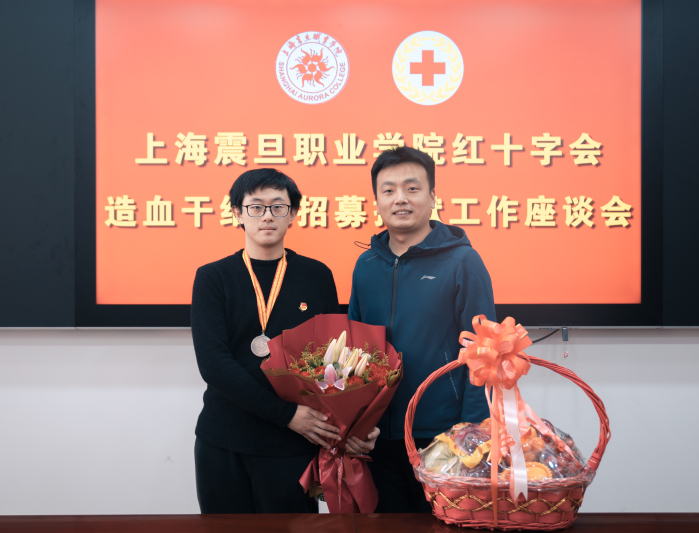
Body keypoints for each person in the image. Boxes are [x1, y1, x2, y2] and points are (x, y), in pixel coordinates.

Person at [191, 168, 379, 514]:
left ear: (292, 214)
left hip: (292, 446)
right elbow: (214, 365)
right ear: (237, 213)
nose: (267, 216)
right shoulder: (212, 278)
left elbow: (334, 362)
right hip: (225, 440)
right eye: (256, 207)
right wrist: (286, 414)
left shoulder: (316, 276)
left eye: (278, 206)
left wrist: (356, 425)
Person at [348, 146, 496, 513]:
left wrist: (471, 434)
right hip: (377, 438)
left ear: (432, 197)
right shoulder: (366, 264)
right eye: (388, 190)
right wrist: (354, 423)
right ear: (377, 201)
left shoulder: (462, 261)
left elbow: (484, 353)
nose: (400, 198)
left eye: (412, 188)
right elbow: (354, 351)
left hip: (442, 437)